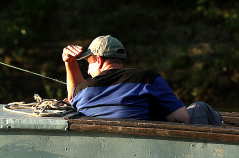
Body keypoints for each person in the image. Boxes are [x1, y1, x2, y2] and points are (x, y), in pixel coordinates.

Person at [61, 35, 191, 123]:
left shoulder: (82, 90)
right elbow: (182, 118)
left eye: (89, 63)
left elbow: (72, 98)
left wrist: (70, 63)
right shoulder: (148, 78)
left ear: (99, 60)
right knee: (201, 108)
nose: (88, 72)